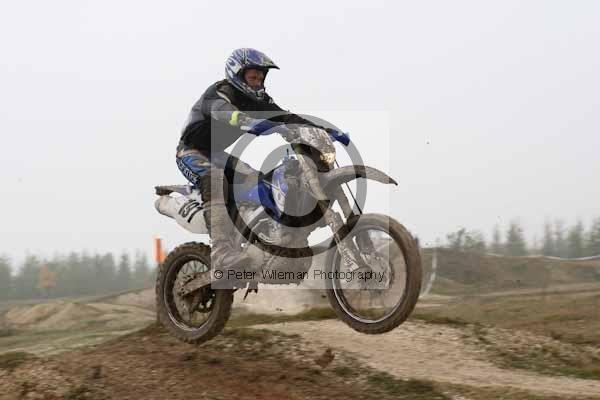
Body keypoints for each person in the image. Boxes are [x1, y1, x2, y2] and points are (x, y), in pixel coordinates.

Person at [176, 48, 322, 274]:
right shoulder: (219, 93)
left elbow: (285, 116)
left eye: (261, 78)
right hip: (191, 152)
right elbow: (227, 114)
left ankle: (259, 242)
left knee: (260, 184)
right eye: (253, 77)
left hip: (217, 155)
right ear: (237, 74)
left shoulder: (258, 100)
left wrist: (323, 130)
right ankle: (221, 252)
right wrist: (252, 122)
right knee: (215, 180)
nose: (258, 82)